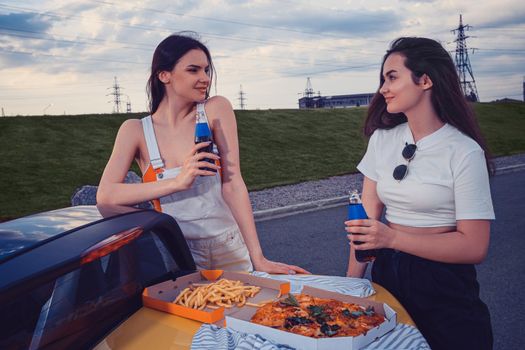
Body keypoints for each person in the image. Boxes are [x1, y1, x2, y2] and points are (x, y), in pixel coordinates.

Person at [96, 32, 308, 275]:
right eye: (193, 70)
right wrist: (177, 182)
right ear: (164, 75)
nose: (205, 78)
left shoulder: (215, 109)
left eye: (207, 70)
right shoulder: (134, 130)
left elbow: (233, 184)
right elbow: (106, 195)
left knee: (244, 309)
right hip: (178, 254)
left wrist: (258, 258)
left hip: (228, 246)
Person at [345, 37, 494, 350]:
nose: (383, 88)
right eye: (382, 79)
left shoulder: (464, 152)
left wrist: (392, 239)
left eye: (392, 77)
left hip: (443, 284)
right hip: (386, 275)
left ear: (425, 80)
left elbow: (474, 246)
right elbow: (366, 225)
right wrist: (350, 287)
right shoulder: (381, 140)